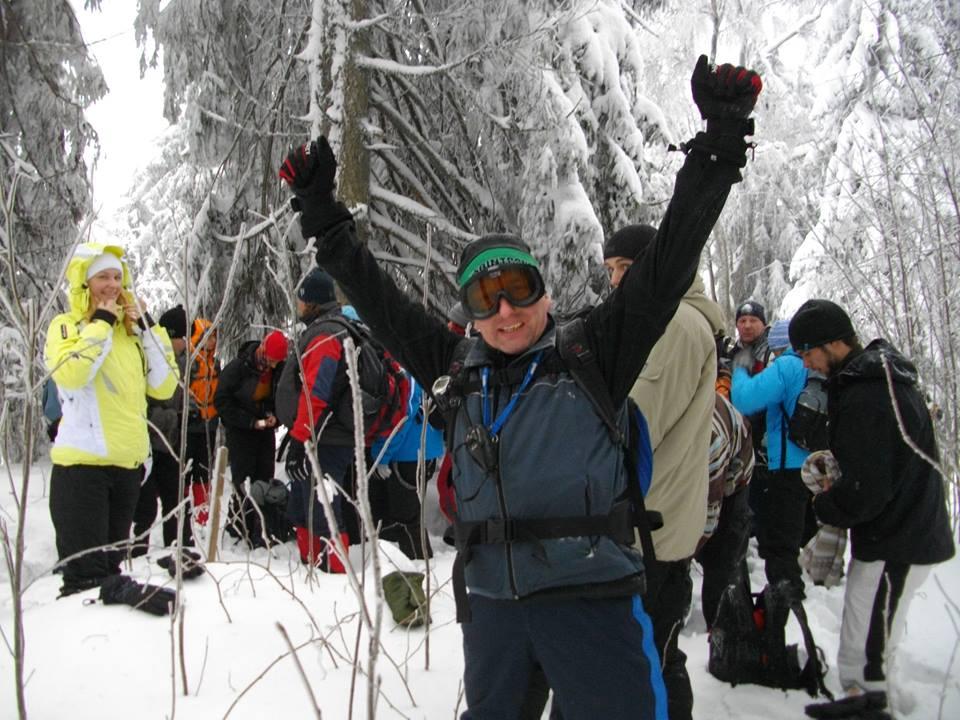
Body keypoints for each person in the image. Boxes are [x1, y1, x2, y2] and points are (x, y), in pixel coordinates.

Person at [279, 54, 761, 720]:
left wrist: (719, 141)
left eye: (518, 289)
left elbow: (669, 260)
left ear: (545, 291)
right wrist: (322, 214)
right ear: (470, 310)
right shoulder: (456, 369)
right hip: (495, 610)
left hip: (592, 601)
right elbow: (379, 297)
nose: (506, 311)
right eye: (486, 296)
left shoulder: (594, 352)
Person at [789, 300, 955, 705]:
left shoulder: (870, 394)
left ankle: (869, 702)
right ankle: (860, 698)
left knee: (871, 646)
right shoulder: (870, 381)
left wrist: (826, 507)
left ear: (832, 344)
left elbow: (867, 485)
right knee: (868, 632)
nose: (807, 364)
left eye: (808, 353)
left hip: (900, 536)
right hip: (894, 530)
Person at [603, 222, 726, 720]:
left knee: (648, 662)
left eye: (626, 269)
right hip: (656, 523)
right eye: (610, 270)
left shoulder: (674, 325)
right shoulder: (669, 319)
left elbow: (631, 425)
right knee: (656, 656)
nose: (615, 282)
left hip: (649, 531)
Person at [44, 243, 178, 596]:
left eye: (118, 276)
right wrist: (101, 323)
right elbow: (71, 374)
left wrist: (147, 328)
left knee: (110, 573)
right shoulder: (67, 326)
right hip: (82, 469)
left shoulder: (130, 335)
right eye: (103, 276)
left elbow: (165, 386)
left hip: (127, 467)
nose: (112, 284)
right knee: (85, 580)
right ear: (85, 283)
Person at [275, 267, 359, 571]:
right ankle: (312, 567)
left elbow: (316, 392)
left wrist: (300, 440)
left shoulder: (326, 334)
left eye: (300, 300)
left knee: (323, 507)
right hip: (319, 435)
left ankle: (334, 578)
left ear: (312, 302)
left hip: (324, 437)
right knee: (303, 503)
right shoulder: (326, 328)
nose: (297, 306)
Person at [731, 318, 817, 597]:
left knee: (781, 545)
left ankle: (786, 598)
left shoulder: (787, 366)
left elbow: (744, 398)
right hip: (814, 464)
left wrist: (740, 369)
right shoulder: (816, 369)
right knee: (799, 529)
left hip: (787, 466)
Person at [215, 329, 289, 548]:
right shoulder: (238, 368)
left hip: (265, 432)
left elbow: (281, 396)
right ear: (263, 351)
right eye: (271, 361)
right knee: (243, 480)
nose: (273, 366)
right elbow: (221, 401)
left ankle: (262, 529)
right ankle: (241, 526)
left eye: (277, 362)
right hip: (241, 432)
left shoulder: (278, 370)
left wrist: (274, 415)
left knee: (265, 479)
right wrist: (249, 421)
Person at [131, 305, 194, 555]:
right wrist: (171, 417)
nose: (187, 343)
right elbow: (140, 405)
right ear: (170, 335)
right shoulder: (150, 356)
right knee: (145, 506)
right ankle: (137, 551)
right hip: (147, 445)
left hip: (171, 445)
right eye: (182, 337)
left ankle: (179, 548)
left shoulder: (183, 361)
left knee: (176, 501)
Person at [696, 390, 754, 629]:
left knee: (723, 559)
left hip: (734, 480)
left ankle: (724, 630)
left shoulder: (710, 436)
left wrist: (683, 552)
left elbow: (711, 511)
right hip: (707, 466)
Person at [729, 299, 772, 536]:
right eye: (742, 321)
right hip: (738, 436)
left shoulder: (772, 352)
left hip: (764, 437)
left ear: (763, 325)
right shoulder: (733, 351)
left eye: (753, 320)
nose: (746, 325)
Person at [184, 317, 220, 525]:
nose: (212, 342)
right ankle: (183, 514)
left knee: (204, 474)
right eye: (208, 337)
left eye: (214, 337)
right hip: (190, 427)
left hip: (209, 426)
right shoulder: (189, 363)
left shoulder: (215, 363)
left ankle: (202, 516)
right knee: (187, 474)